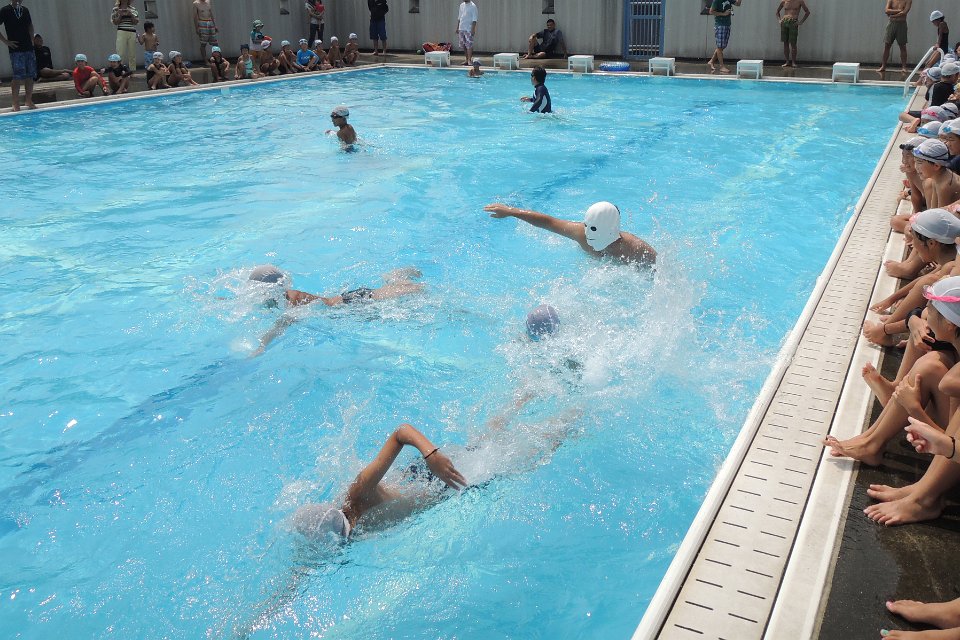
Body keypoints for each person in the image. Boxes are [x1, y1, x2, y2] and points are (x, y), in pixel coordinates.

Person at [861, 276, 960, 527]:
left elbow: (950, 443)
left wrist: (914, 409)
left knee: (937, 374)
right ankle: (922, 488)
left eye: (931, 310)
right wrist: (914, 319)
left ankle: (924, 500)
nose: (926, 312)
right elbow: (950, 437)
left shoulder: (954, 381)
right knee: (929, 366)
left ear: (949, 325)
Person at [247, 265, 422, 354]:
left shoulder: (292, 299)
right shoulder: (277, 298)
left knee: (415, 290)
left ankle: (396, 276)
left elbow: (283, 322)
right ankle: (394, 278)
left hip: (351, 303)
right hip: (341, 305)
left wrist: (262, 346)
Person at [482, 201, 658, 265]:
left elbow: (662, 272)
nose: (588, 234)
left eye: (593, 229)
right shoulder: (580, 233)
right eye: (587, 226)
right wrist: (511, 211)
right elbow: (548, 222)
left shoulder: (634, 247)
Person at [0, 0, 37, 111]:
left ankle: (28, 100)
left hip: (28, 47)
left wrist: (32, 39)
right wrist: (6, 41)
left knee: (30, 75)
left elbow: (30, 25)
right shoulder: (5, 10)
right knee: (18, 76)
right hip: (16, 48)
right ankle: (15, 102)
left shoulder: (25, 10)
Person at [708, 0, 741, 74]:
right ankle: (722, 66)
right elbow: (711, 11)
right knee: (720, 47)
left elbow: (738, 4)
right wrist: (723, 14)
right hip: (720, 25)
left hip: (727, 24)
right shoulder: (716, 1)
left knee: (722, 46)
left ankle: (712, 61)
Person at [775, 0, 810, 68]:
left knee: (793, 43)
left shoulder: (800, 1)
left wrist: (801, 22)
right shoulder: (784, 1)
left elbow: (807, 12)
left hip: (793, 22)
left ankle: (793, 62)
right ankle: (787, 61)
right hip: (785, 22)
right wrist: (779, 20)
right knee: (785, 43)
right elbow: (777, 12)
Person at [880, 0, 912, 74]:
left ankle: (904, 67)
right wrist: (899, 10)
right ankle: (883, 66)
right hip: (891, 23)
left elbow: (904, 12)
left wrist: (892, 15)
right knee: (887, 45)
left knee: (902, 46)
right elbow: (886, 10)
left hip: (901, 24)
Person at [111, 0, 139, 71]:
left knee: (132, 54)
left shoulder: (133, 9)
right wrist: (120, 15)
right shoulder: (116, 9)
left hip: (132, 32)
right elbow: (115, 22)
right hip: (121, 31)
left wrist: (131, 14)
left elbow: (135, 22)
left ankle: (132, 71)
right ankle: (119, 71)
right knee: (120, 53)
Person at [456, 0, 478, 66]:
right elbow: (459, 17)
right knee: (464, 45)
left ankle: (469, 60)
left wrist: (473, 29)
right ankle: (466, 59)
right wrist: (457, 27)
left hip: (468, 28)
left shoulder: (473, 6)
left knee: (469, 45)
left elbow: (475, 19)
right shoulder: (461, 5)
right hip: (461, 28)